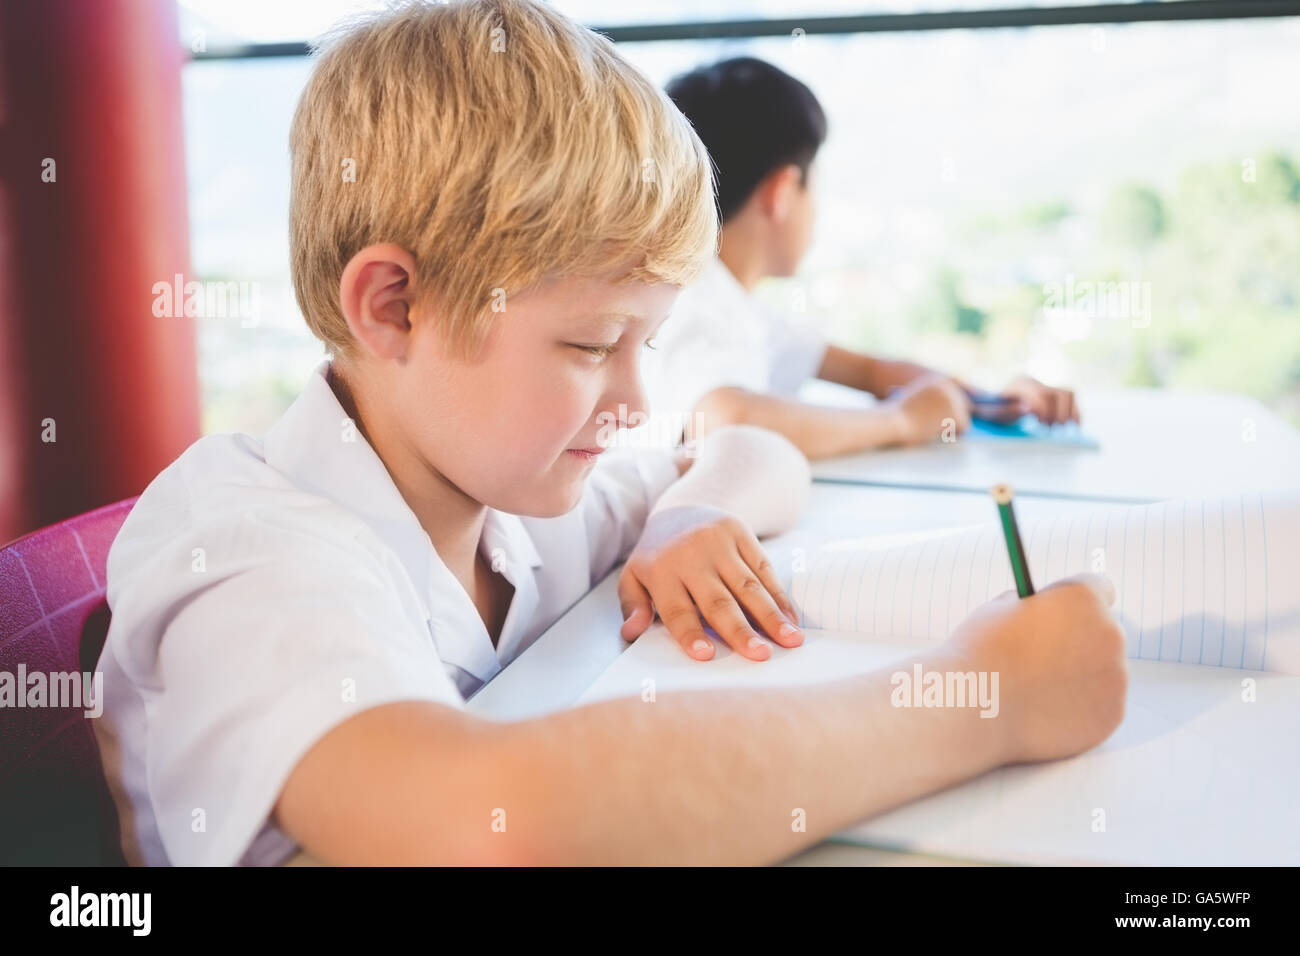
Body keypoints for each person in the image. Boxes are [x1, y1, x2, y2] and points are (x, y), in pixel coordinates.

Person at [93, 0, 1125, 867]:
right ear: (395, 305)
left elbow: (750, 450)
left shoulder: (520, 488)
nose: (635, 398)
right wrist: (983, 702)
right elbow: (478, 818)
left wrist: (688, 512)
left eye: (650, 342)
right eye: (592, 344)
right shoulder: (249, 551)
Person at [645, 56, 1080, 458]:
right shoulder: (694, 301)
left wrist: (992, 400)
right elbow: (723, 420)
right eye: (814, 185)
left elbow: (873, 372)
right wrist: (900, 421)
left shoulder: (737, 307)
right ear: (781, 193)